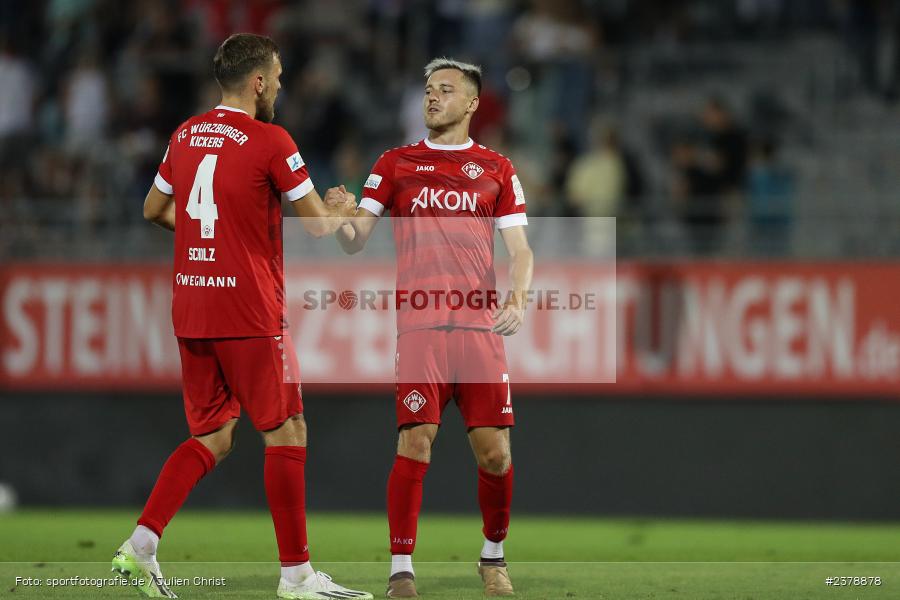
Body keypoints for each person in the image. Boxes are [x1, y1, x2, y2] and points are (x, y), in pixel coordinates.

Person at [110, 33, 372, 600]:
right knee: (287, 429)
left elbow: (155, 208)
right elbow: (319, 227)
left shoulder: (184, 134)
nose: (279, 84)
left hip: (193, 305)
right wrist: (341, 207)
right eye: (275, 76)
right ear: (257, 82)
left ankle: (142, 544)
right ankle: (297, 576)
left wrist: (212, 237)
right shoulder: (271, 140)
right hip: (249, 310)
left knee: (213, 435)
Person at [329, 58, 534, 598]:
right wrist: (342, 215)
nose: (432, 97)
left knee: (496, 454)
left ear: (471, 104)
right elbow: (355, 239)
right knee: (414, 442)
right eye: (427, 89)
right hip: (420, 328)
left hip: (478, 332)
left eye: (445, 90)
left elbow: (521, 248)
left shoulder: (496, 168)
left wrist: (517, 296)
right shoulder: (394, 163)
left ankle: (493, 557)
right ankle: (401, 569)